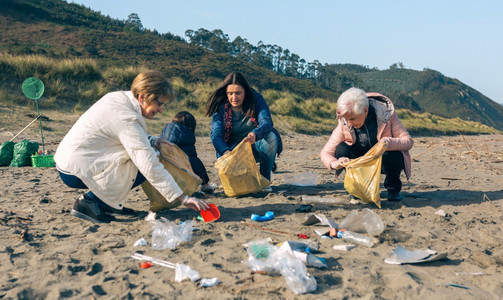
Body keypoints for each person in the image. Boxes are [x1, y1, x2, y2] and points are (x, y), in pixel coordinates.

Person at [54, 70, 209, 223]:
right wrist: (183, 197)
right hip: (74, 171)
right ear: (142, 97)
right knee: (146, 160)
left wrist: (152, 140)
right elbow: (147, 163)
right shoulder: (125, 117)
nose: (161, 110)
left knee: (146, 153)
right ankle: (89, 202)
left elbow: (120, 135)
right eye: (159, 103)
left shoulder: (119, 99)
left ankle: (106, 204)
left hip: (73, 159)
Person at [320, 87, 413, 201]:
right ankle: (358, 188)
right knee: (342, 149)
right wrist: (335, 163)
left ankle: (393, 190)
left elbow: (408, 141)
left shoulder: (387, 115)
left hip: (382, 161)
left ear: (365, 110)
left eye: (353, 119)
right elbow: (326, 152)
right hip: (359, 162)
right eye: (346, 119)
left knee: (394, 154)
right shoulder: (344, 123)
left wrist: (388, 142)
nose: (349, 123)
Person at [205, 71, 282, 185]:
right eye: (230, 93)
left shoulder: (256, 99)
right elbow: (216, 135)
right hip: (232, 149)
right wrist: (226, 152)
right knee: (239, 184)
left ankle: (265, 180)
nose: (234, 97)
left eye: (238, 93)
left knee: (271, 137)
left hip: (254, 145)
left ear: (245, 91)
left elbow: (266, 122)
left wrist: (255, 134)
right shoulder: (220, 107)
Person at [160, 111, 214, 193]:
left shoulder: (164, 135)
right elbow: (195, 163)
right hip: (179, 177)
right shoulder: (186, 139)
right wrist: (205, 182)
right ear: (191, 127)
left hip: (162, 175)